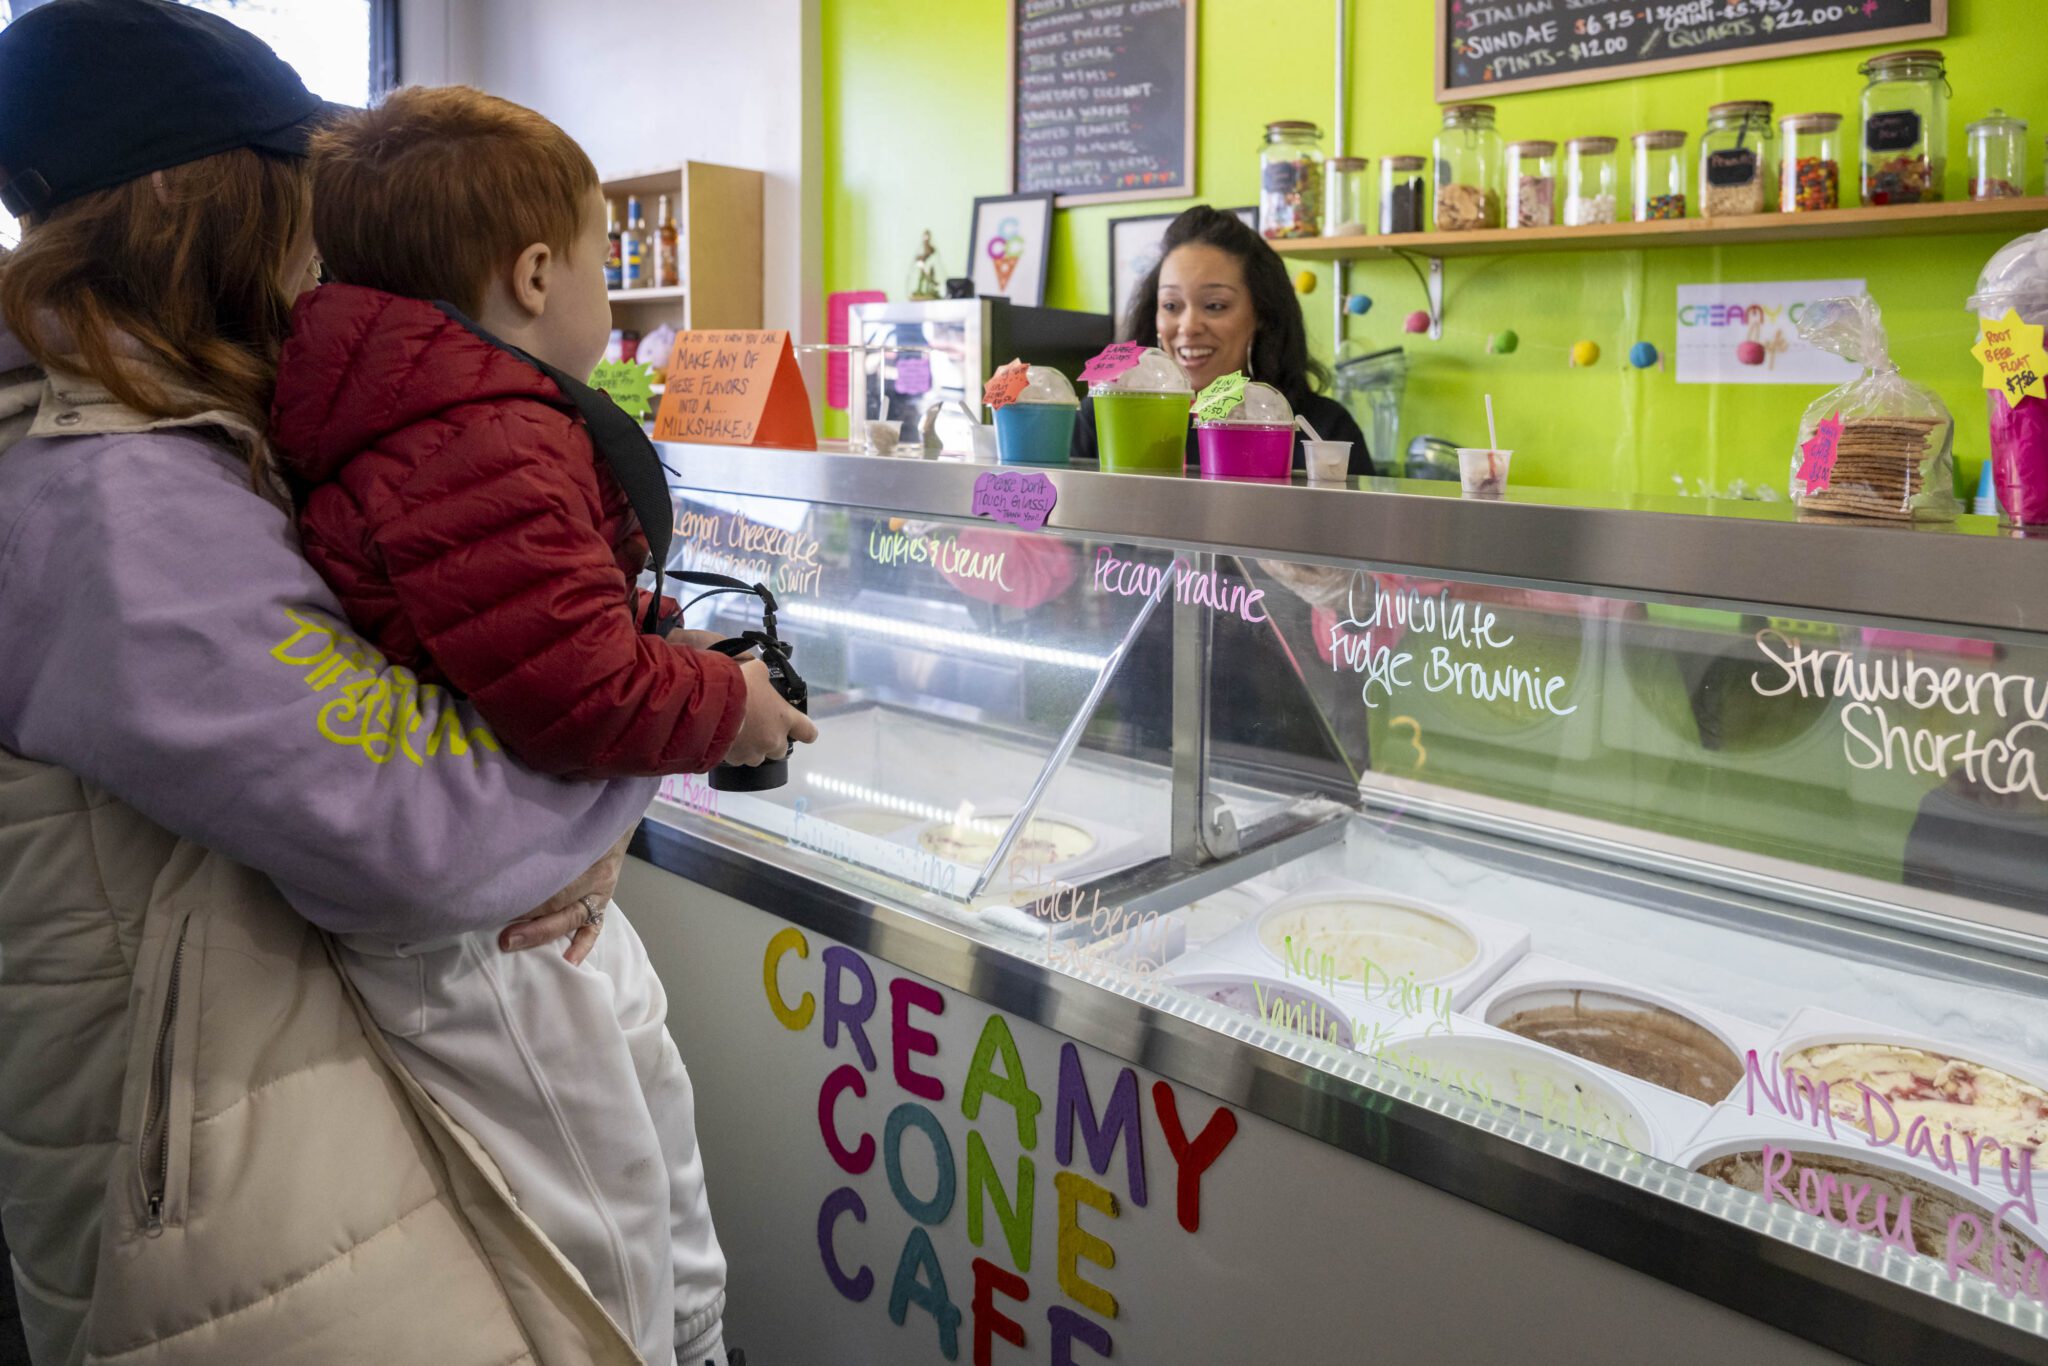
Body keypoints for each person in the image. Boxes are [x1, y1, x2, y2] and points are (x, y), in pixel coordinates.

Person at [0, 3, 686, 1363]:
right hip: (244, 1226)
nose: (335, 248)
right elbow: (421, 832)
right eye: (310, 202)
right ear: (222, 206)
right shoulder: (108, 495)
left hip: (279, 1169)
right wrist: (625, 762)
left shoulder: (172, 438)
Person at [267, 85, 814, 1366]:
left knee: (650, 1153)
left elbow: (534, 633)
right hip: (483, 928)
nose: (606, 304)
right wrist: (727, 702)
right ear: (530, 276)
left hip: (525, 884)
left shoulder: (429, 414)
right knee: (601, 1220)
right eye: (596, 267)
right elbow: (576, 687)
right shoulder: (482, 432)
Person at [1073, 205, 1373, 476]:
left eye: (1215, 305)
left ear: (1262, 314)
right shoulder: (1101, 416)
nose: (1188, 327)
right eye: (1171, 306)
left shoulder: (1322, 429)